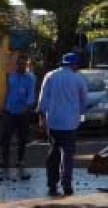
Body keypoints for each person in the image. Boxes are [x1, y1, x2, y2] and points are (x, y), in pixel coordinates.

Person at [37, 52, 88, 197]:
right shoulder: (78, 79)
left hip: (53, 122)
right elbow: (84, 100)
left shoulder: (50, 76)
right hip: (71, 123)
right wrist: (80, 113)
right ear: (74, 64)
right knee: (68, 154)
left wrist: (41, 117)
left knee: (53, 153)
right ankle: (67, 184)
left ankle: (52, 184)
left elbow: (43, 98)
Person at [0, 54, 36, 168]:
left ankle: (20, 159)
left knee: (22, 137)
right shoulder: (11, 76)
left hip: (23, 112)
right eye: (20, 64)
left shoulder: (30, 78)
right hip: (9, 111)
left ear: (27, 65)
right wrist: (3, 106)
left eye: (24, 64)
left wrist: (27, 106)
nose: (22, 66)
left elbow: (31, 94)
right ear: (17, 65)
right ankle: (5, 160)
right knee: (6, 136)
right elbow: (7, 91)